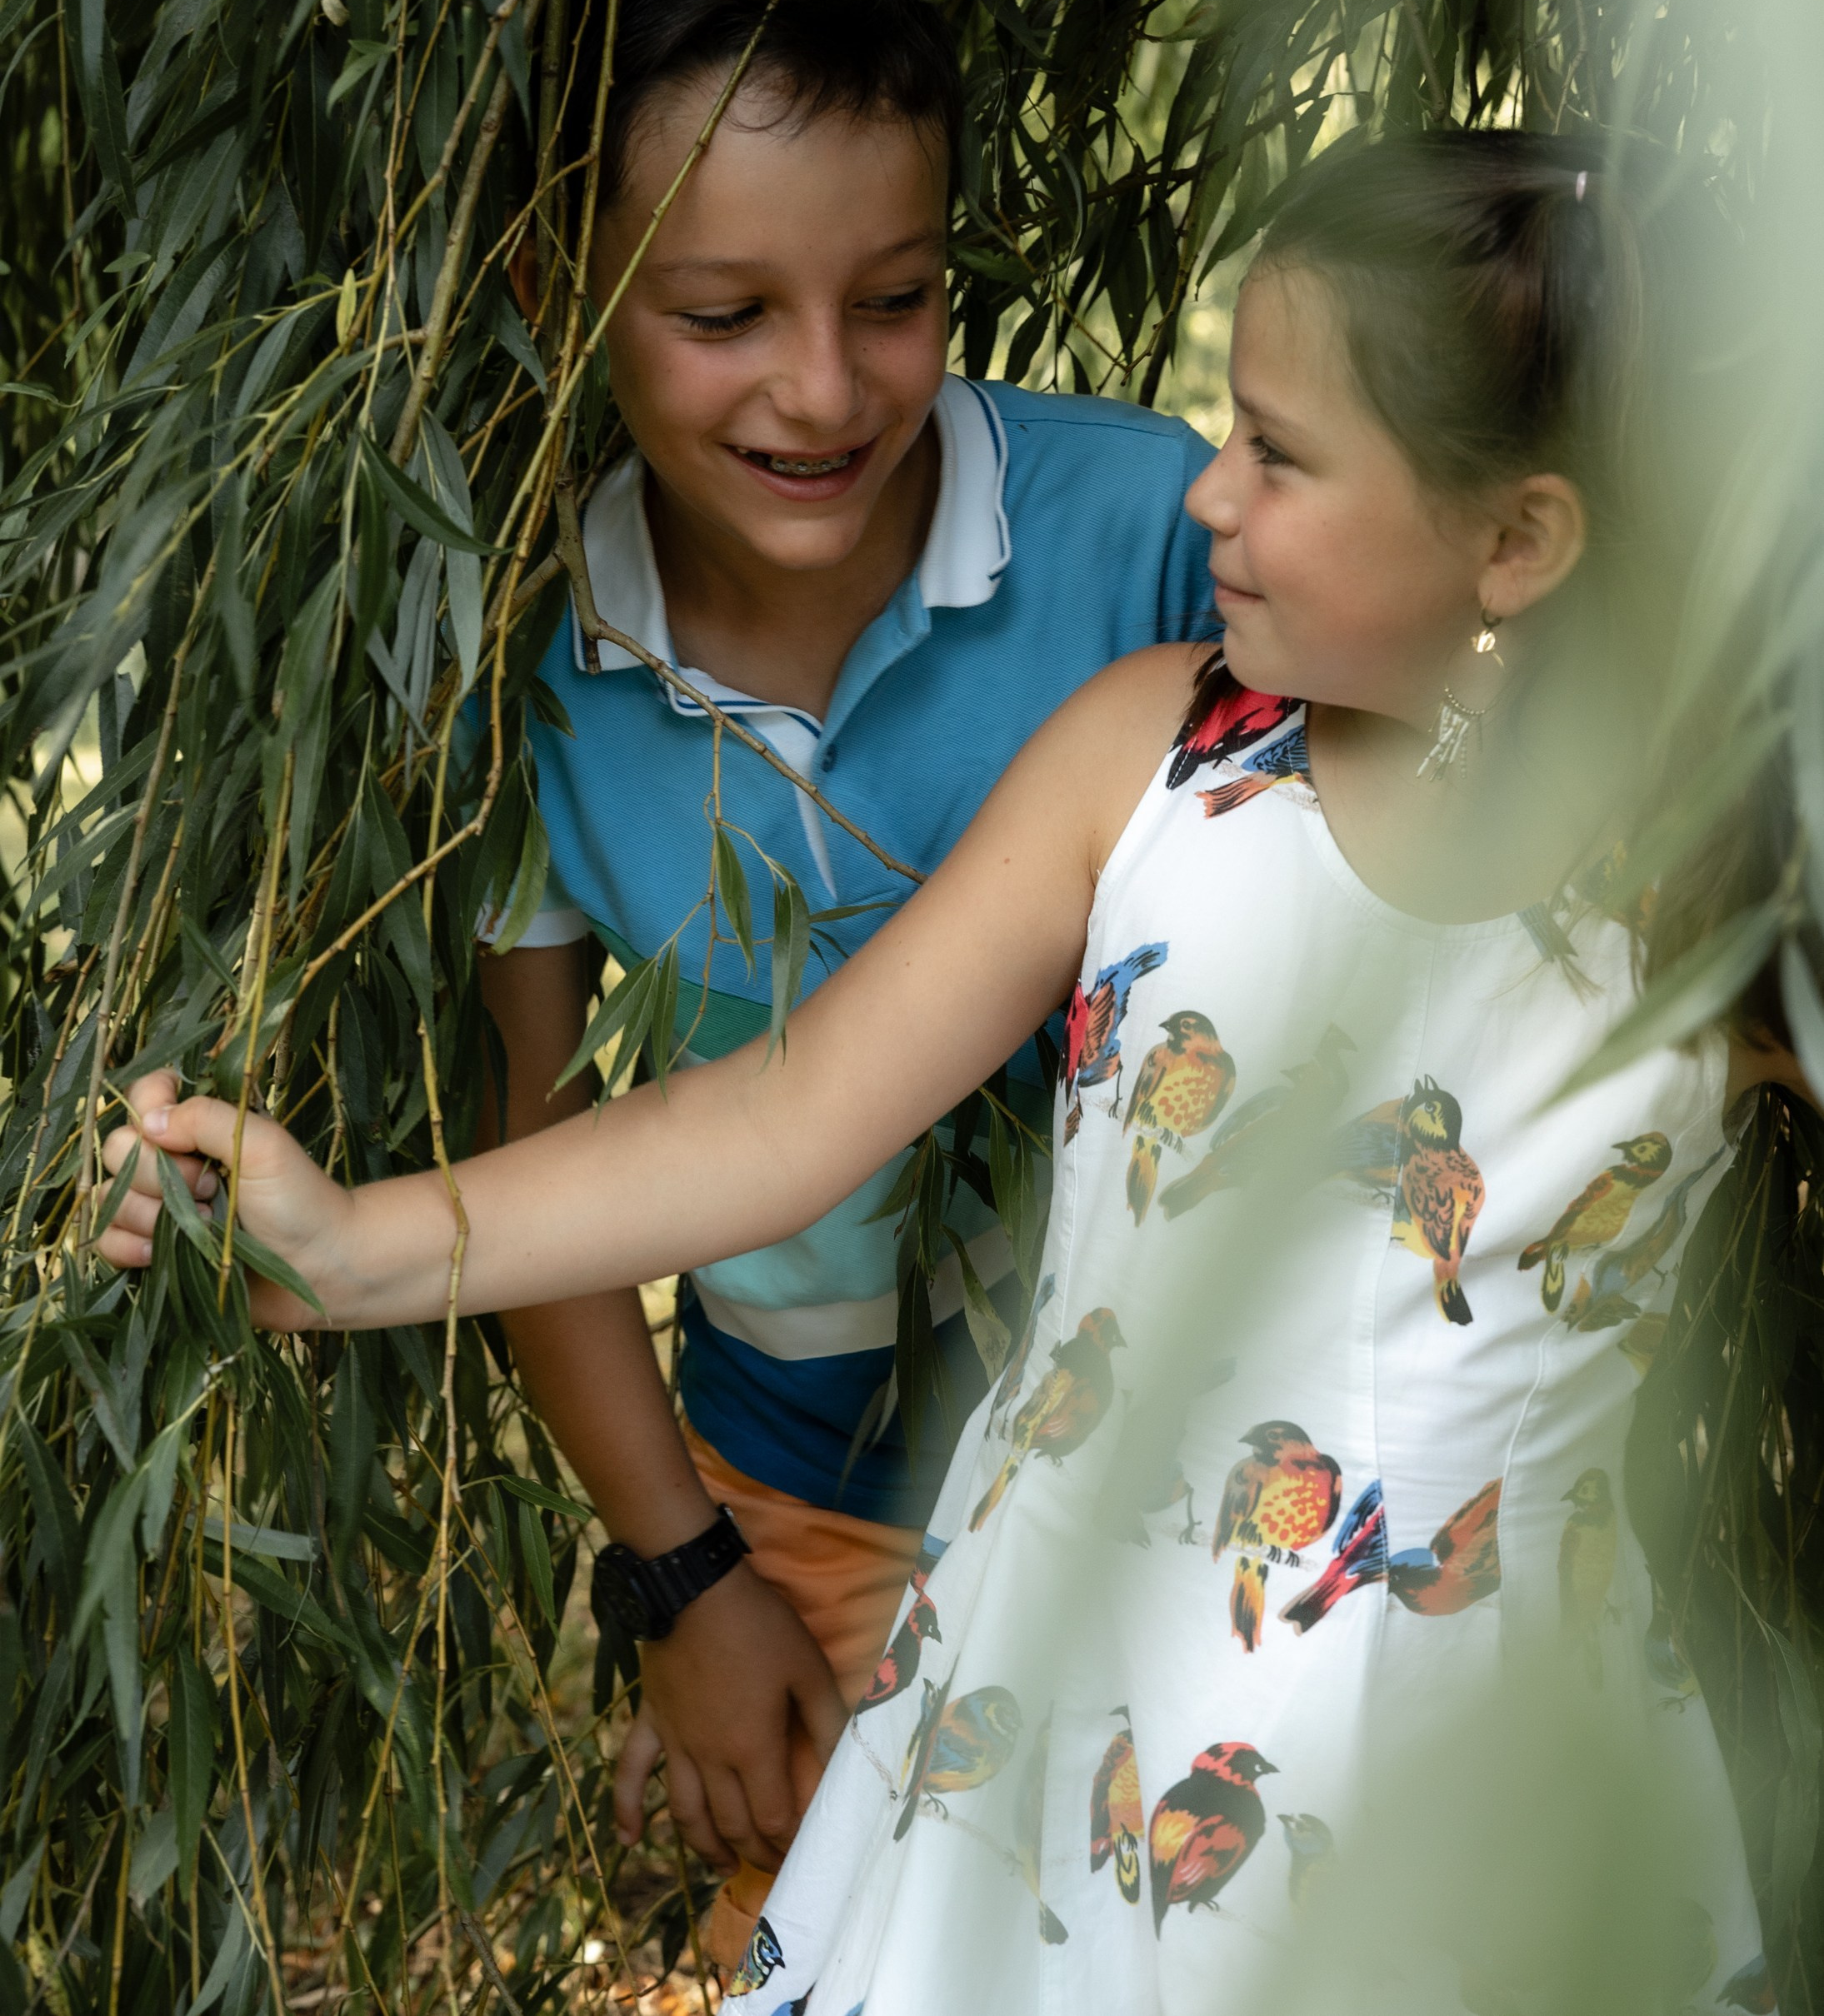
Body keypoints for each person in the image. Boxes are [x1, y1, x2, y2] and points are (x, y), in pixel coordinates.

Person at [104, 132, 1790, 2013]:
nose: (1209, 493)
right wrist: (352, 1246)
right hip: (1070, 1721)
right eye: (1233, 426)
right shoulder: (1152, 758)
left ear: (1519, 539)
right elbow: (773, 1113)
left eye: (1284, 456)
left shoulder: (1707, 893)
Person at [468, 0, 1219, 1964]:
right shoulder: (520, 663)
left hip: (1170, 1435)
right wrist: (684, 1580)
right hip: (794, 1476)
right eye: (723, 314)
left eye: (894, 299)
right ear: (560, 290)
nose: (825, 387)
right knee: (839, 1937)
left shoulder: (1151, 534)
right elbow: (528, 1141)